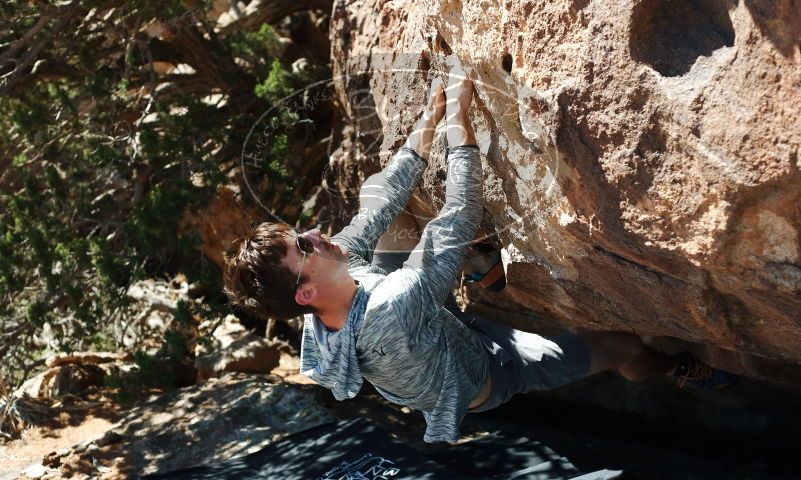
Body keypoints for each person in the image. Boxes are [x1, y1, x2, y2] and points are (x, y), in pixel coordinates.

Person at [224, 66, 735, 444]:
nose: (315, 234)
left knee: (388, 218)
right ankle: (674, 368)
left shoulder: (325, 294)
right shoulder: (391, 308)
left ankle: (471, 269)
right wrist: (458, 121)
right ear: (306, 289)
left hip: (429, 331)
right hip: (487, 371)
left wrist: (429, 116)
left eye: (303, 233)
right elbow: (460, 210)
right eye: (304, 246)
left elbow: (381, 204)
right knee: (621, 347)